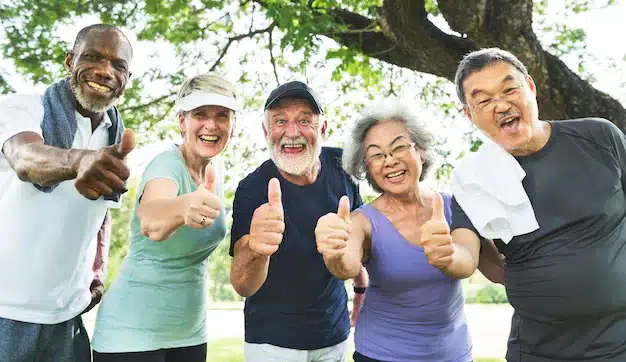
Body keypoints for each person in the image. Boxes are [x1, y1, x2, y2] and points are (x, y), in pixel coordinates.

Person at [421, 47, 626, 361]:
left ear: (530, 87)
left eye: (509, 89)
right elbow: (466, 255)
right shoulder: (472, 179)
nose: (501, 104)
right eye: (484, 100)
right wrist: (446, 255)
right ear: (469, 114)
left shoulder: (601, 137)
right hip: (536, 350)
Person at [316, 100, 503, 362]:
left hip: (453, 355)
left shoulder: (455, 206)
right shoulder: (362, 221)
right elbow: (346, 266)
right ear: (368, 167)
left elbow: (490, 268)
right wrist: (333, 251)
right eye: (376, 155)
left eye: (399, 147)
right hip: (381, 355)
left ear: (421, 151)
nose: (389, 160)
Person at [0, 23, 134, 362]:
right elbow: (24, 158)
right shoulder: (24, 107)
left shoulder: (112, 133)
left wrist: (99, 269)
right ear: (69, 62)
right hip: (6, 311)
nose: (105, 71)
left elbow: (103, 210)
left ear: (127, 78)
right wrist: (78, 161)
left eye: (118, 65)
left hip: (67, 316)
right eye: (92, 57)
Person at [91, 73, 238, 362]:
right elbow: (152, 218)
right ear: (182, 121)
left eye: (222, 115)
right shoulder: (166, 164)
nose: (211, 124)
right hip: (131, 336)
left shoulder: (213, 172)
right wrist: (184, 206)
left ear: (233, 126)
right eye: (200, 114)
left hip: (190, 333)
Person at [229, 80, 368, 362]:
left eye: (305, 120)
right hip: (271, 343)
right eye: (280, 121)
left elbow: (359, 242)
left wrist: (361, 284)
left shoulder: (344, 168)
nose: (292, 132)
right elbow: (242, 285)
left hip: (333, 336)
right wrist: (257, 249)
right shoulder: (252, 188)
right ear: (266, 131)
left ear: (323, 128)